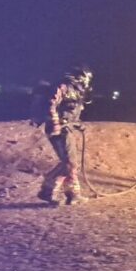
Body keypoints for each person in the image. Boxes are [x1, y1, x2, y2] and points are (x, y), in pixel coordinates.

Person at [36, 67, 93, 205]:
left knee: (71, 163)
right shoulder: (62, 87)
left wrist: (78, 124)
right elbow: (51, 105)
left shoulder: (76, 91)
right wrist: (55, 123)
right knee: (69, 163)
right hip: (59, 130)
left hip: (67, 128)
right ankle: (47, 190)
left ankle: (73, 194)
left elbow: (71, 111)